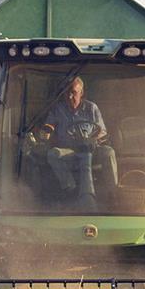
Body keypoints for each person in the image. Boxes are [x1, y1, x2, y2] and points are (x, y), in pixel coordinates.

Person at [40, 76, 118, 209]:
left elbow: (103, 130)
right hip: (70, 152)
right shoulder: (58, 109)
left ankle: (113, 192)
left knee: (109, 152)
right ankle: (70, 189)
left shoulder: (91, 108)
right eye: (68, 92)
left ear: (81, 93)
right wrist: (47, 129)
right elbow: (49, 125)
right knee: (53, 154)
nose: (70, 96)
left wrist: (93, 139)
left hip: (92, 150)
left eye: (74, 92)